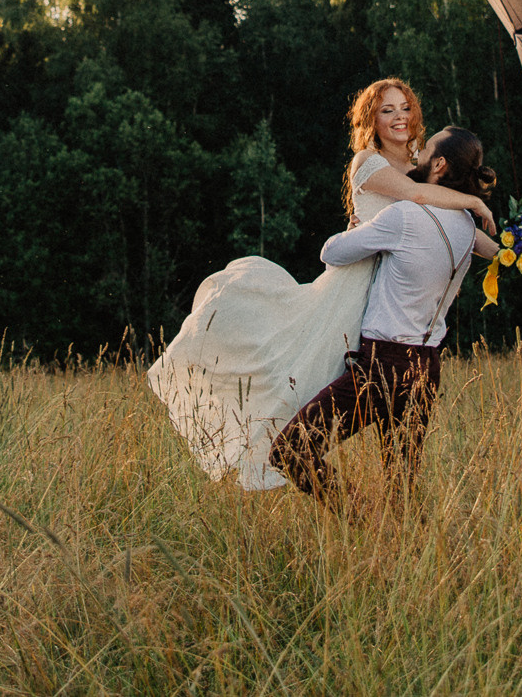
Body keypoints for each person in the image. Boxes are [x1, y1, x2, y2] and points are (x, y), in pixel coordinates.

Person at [146, 80, 494, 489]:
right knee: (290, 376)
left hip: (389, 302)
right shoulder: (370, 162)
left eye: (405, 108)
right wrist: (473, 201)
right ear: (372, 120)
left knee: (393, 457)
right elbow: (417, 198)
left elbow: (473, 238)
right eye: (387, 110)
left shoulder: (421, 168)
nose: (399, 117)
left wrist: (514, 249)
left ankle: (372, 522)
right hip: (356, 286)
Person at [268, 126, 497, 510]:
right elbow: (489, 252)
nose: (418, 151)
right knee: (402, 487)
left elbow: (332, 253)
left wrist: (355, 228)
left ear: (438, 165)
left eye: (427, 149)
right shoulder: (465, 227)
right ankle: (396, 542)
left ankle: (361, 519)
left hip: (384, 365)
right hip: (427, 366)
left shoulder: (404, 216)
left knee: (290, 450)